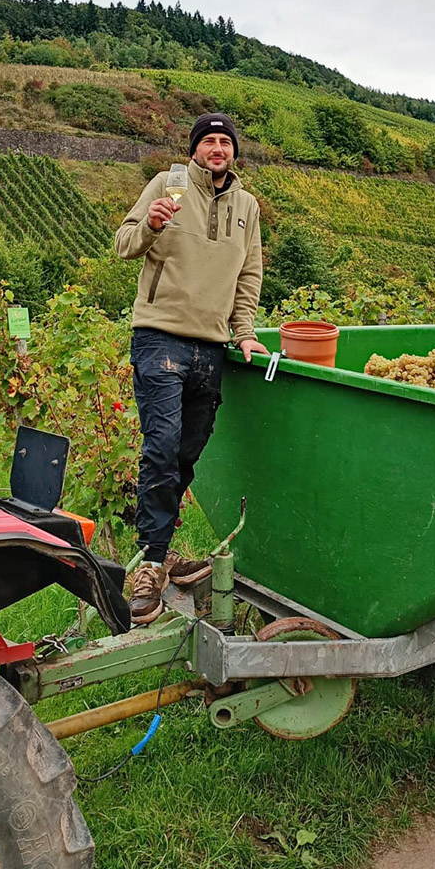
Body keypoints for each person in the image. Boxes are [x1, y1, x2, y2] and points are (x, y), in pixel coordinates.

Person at [115, 112, 269, 624]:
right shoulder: (167, 185)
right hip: (160, 335)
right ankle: (151, 564)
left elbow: (249, 277)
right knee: (160, 447)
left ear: (234, 153)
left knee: (185, 453)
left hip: (211, 348)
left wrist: (244, 332)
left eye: (226, 141)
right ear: (195, 149)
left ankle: (158, 548)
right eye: (209, 141)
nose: (218, 148)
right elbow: (123, 244)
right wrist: (152, 225)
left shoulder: (247, 206)